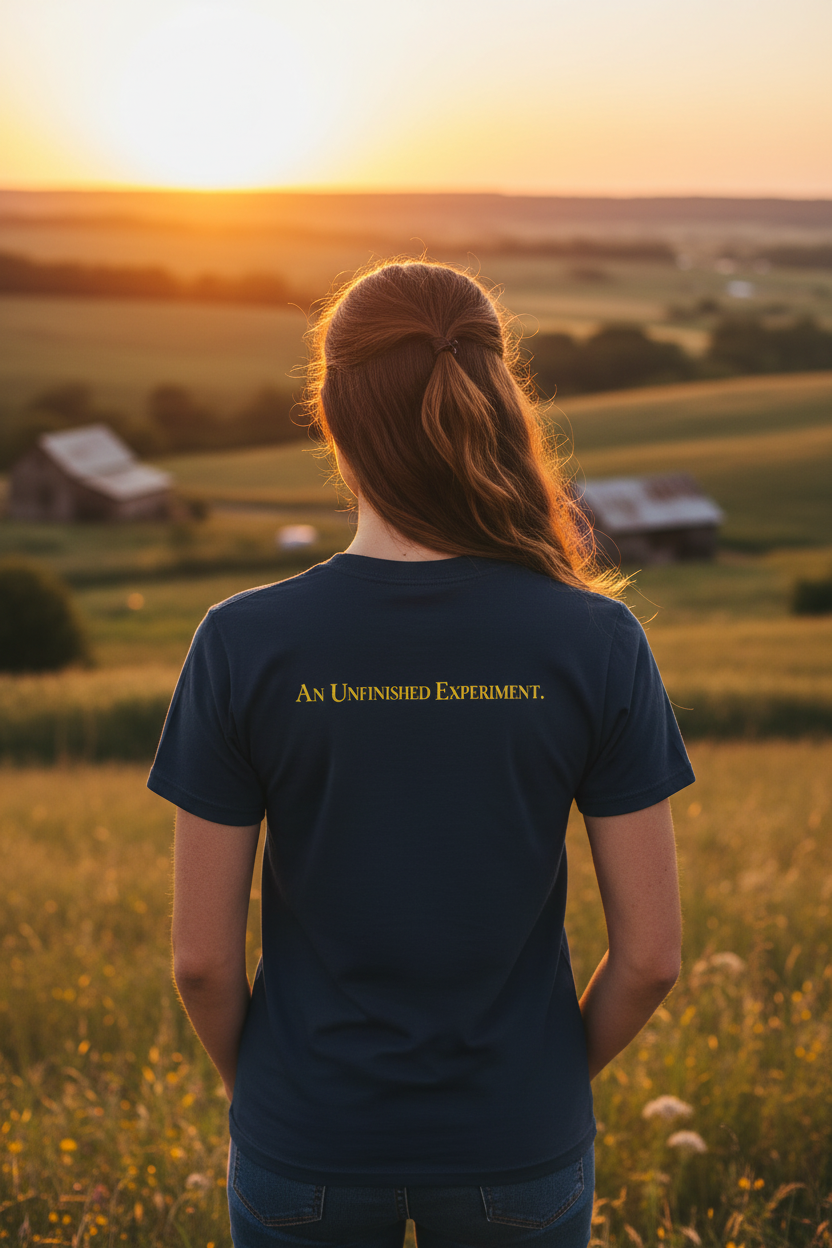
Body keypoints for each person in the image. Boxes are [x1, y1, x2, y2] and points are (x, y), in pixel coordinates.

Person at [147, 259, 693, 1248]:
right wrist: (542, 1087)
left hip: (304, 1141)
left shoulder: (242, 642)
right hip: (515, 1140)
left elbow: (199, 963)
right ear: (495, 399)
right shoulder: (596, 642)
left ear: (333, 415)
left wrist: (271, 1094)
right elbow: (651, 958)